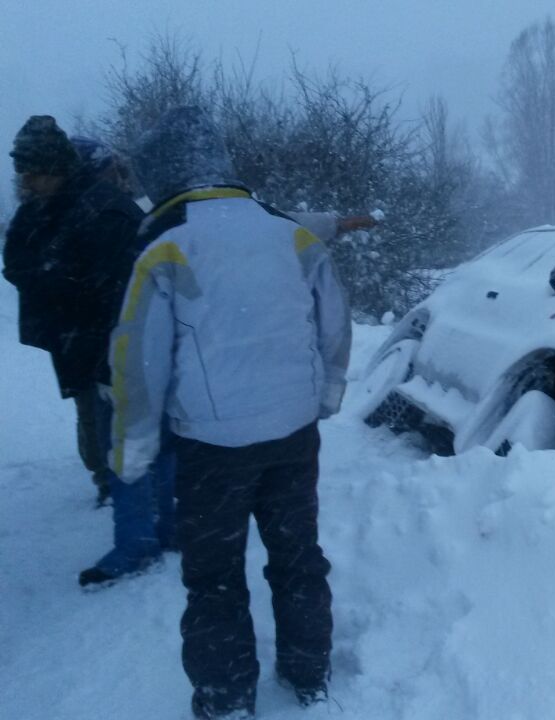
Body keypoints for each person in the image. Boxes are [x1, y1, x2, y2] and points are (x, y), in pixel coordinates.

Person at [113, 105, 351, 719]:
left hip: (212, 448)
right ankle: (308, 673)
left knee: (215, 576)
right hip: (294, 435)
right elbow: (334, 323)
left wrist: (133, 450)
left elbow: (139, 363)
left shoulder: (166, 248)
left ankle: (226, 699)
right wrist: (326, 394)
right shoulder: (289, 235)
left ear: (161, 176)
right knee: (298, 556)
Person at [3, 117, 174, 587]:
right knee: (116, 439)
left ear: (57, 166)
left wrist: (59, 281)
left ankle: (151, 535)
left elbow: (128, 287)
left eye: (33, 170)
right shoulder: (45, 207)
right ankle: (154, 525)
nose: (26, 180)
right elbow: (18, 262)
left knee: (135, 440)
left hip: (117, 344)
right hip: (82, 343)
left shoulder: (103, 209)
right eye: (22, 171)